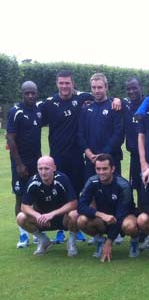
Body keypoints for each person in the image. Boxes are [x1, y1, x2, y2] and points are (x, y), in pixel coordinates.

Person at [41, 70, 120, 244]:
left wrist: (116, 99)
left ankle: (110, 229)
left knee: (91, 193)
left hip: (84, 159)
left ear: (72, 83)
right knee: (67, 193)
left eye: (67, 83)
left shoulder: (84, 100)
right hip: (70, 157)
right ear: (57, 83)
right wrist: (89, 152)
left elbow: (118, 133)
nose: (64, 86)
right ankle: (64, 229)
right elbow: (80, 133)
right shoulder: (52, 103)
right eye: (61, 83)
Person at [74, 154, 138, 261]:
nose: (101, 172)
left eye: (105, 169)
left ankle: (135, 240)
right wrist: (101, 215)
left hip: (124, 217)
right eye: (98, 169)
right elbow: (81, 207)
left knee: (129, 226)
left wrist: (110, 242)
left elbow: (120, 215)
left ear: (112, 169)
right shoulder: (92, 181)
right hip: (103, 218)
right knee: (81, 220)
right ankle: (100, 241)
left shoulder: (123, 186)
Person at [16, 156, 79, 256]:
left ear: (54, 168)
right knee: (20, 217)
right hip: (43, 220)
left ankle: (71, 242)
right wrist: (37, 215)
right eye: (40, 169)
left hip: (62, 218)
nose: (43, 172)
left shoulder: (62, 179)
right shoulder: (33, 182)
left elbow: (73, 203)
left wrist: (52, 214)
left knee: (75, 214)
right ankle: (43, 240)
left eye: (46, 168)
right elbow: (24, 206)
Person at [7, 81, 42, 248]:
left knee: (35, 196)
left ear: (37, 93)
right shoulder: (15, 112)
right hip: (20, 162)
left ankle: (35, 232)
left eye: (33, 93)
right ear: (22, 93)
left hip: (36, 162)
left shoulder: (38, 110)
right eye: (27, 93)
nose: (30, 96)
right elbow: (10, 138)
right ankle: (23, 235)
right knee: (20, 198)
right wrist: (19, 164)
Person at [77, 73, 124, 180]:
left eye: (99, 87)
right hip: (91, 160)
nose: (96, 91)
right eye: (94, 87)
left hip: (111, 159)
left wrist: (104, 154)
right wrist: (88, 153)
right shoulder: (86, 109)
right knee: (91, 194)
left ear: (106, 87)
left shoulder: (114, 107)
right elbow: (80, 134)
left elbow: (119, 135)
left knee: (113, 193)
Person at [122, 77, 144, 203]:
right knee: (134, 187)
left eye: (134, 88)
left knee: (147, 189)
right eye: (128, 89)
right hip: (134, 156)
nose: (131, 91)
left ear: (141, 87)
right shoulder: (125, 104)